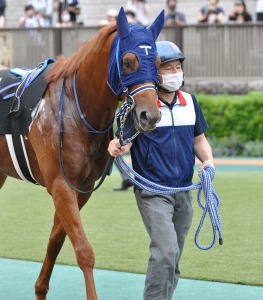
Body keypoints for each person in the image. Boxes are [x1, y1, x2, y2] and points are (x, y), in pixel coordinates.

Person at [108, 41, 214, 300]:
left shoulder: (190, 102)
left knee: (173, 257)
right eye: (168, 67)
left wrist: (208, 161)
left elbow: (198, 140)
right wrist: (117, 145)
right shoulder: (143, 106)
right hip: (153, 193)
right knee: (165, 252)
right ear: (154, 73)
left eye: (178, 66)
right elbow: (125, 140)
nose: (175, 72)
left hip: (184, 193)